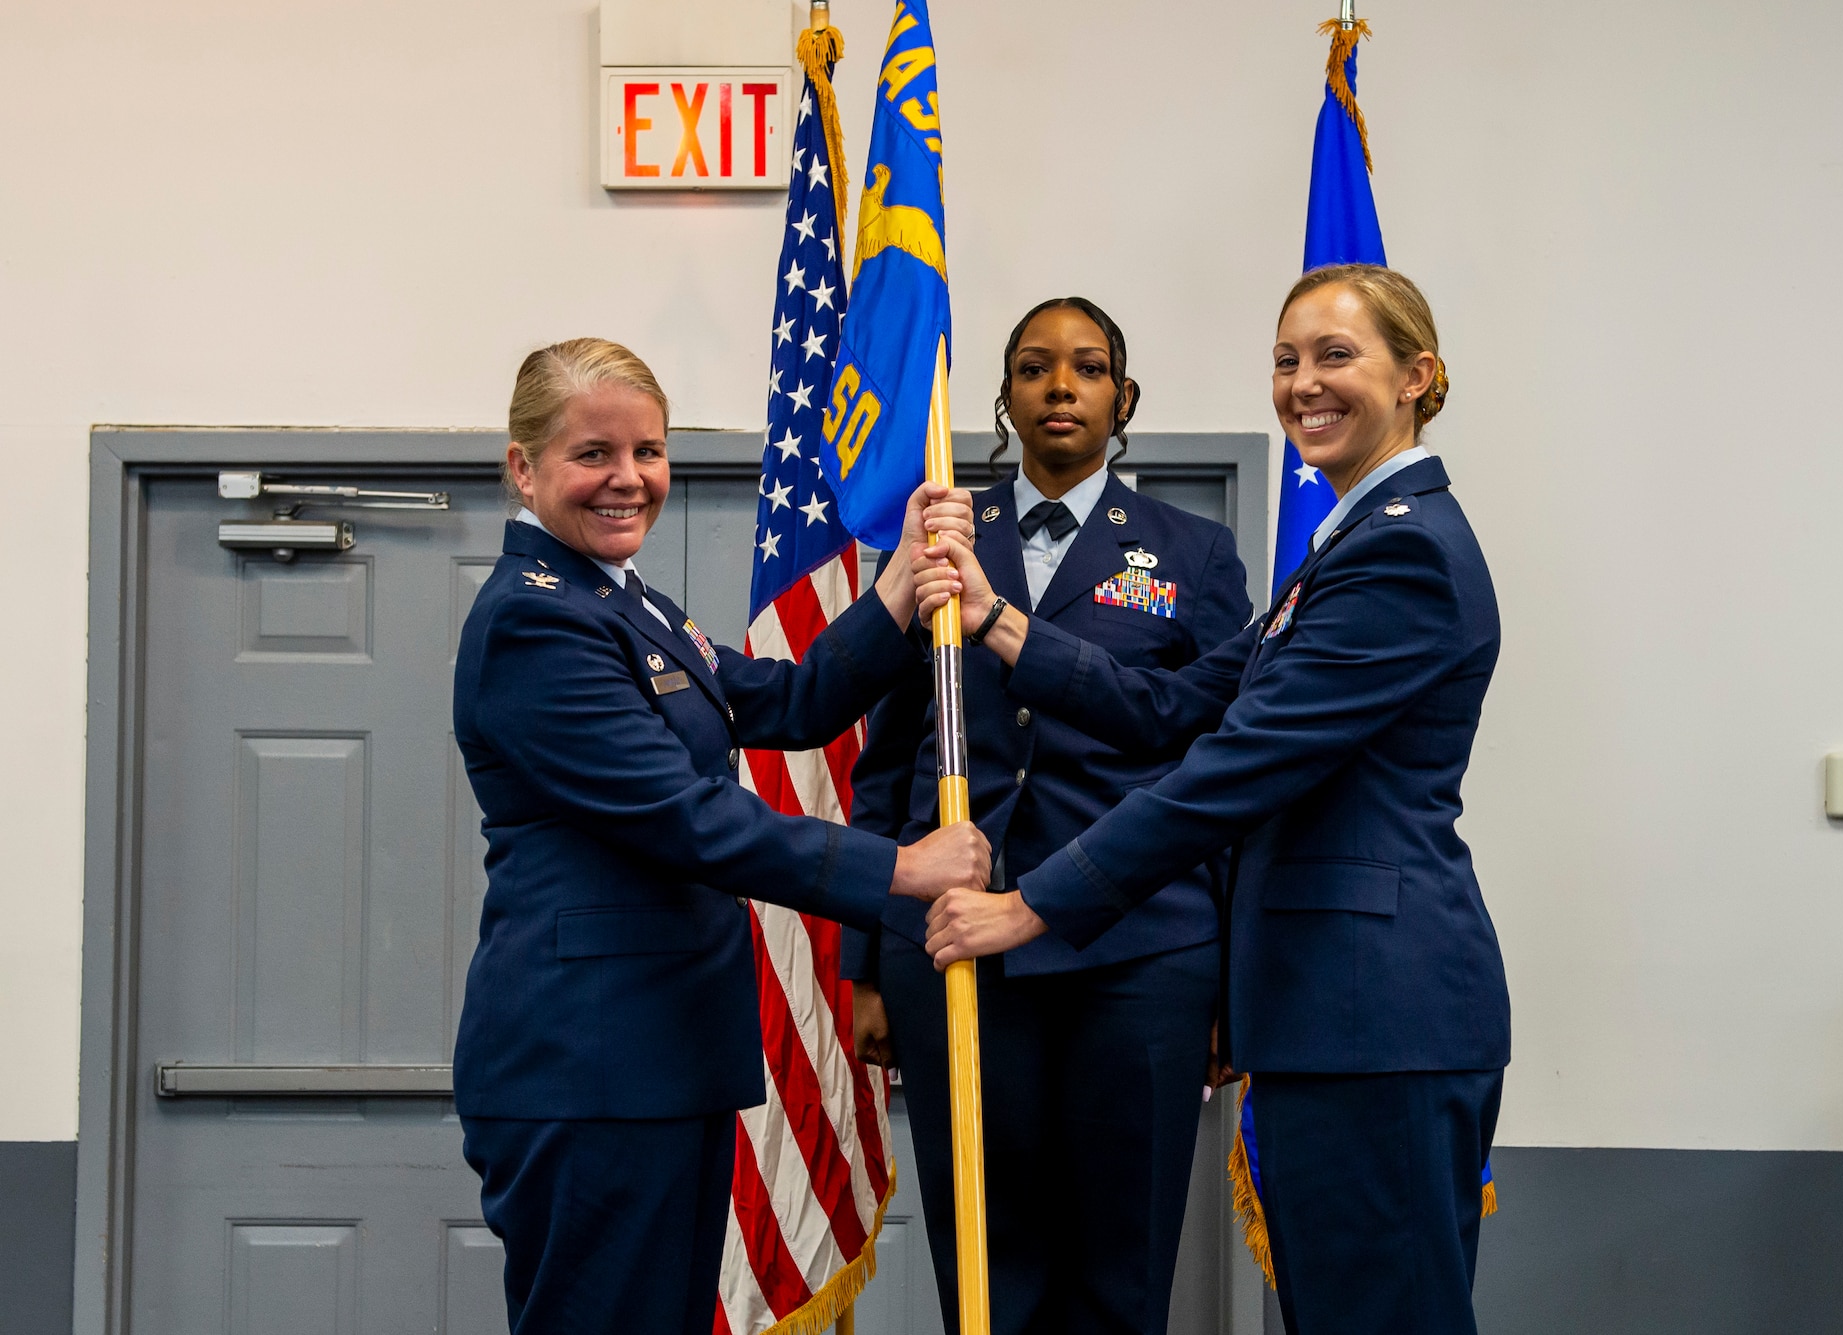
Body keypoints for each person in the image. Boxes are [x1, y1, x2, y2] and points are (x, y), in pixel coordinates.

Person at [916, 266, 1510, 1335]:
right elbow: (1169, 706)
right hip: (1327, 1011)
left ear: (1417, 375)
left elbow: (1228, 769)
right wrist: (1000, 622)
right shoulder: (1345, 546)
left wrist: (1031, 904)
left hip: (1375, 1010)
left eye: (1335, 356)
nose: (1301, 384)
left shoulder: (1402, 554)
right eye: (1286, 360)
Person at [450, 337, 988, 1335]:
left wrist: (902, 581)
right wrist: (901, 868)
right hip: (591, 1061)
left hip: (658, 1055)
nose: (628, 479)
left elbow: (786, 699)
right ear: (522, 467)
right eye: (593, 454)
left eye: (647, 452)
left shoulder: (625, 604)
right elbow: (683, 816)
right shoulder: (538, 626)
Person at [842, 298, 1253, 1335]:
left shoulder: (1191, 553)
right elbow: (886, 762)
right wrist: (864, 960)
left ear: (1122, 395)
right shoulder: (939, 536)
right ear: (1004, 396)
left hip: (1144, 950)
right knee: (988, 1261)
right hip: (958, 949)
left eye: (1085, 368)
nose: (1058, 386)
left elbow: (1215, 757)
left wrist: (1227, 984)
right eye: (1032, 368)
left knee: (1121, 1264)